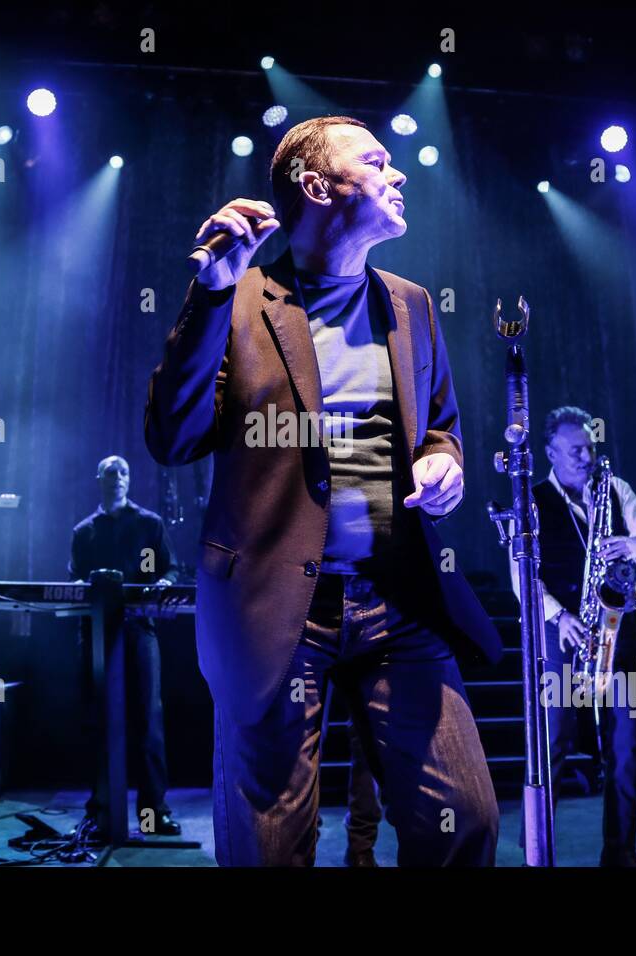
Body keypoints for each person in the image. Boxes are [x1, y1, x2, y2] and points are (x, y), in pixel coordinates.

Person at [146, 115, 503, 866]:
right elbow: (173, 439)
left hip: (398, 599)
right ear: (316, 185)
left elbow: (440, 426)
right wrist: (209, 294)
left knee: (463, 818)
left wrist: (446, 465)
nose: (399, 174)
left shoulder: (410, 303)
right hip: (278, 606)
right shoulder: (239, 299)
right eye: (378, 162)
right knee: (269, 846)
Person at [510, 405, 636, 866]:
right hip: (564, 639)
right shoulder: (532, 499)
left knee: (625, 750)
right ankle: (537, 851)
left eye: (589, 448)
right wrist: (559, 617)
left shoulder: (616, 490)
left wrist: (635, 545)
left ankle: (622, 853)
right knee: (553, 745)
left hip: (619, 638)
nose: (585, 456)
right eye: (575, 449)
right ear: (551, 452)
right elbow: (522, 577)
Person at [69, 455, 181, 837]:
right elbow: (73, 581)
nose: (117, 478)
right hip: (98, 635)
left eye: (123, 472)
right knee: (98, 721)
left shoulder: (149, 524)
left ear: (130, 481)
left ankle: (154, 813)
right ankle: (100, 810)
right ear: (98, 479)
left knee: (148, 720)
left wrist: (164, 583)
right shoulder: (83, 532)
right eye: (110, 473)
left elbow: (170, 568)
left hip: (138, 631)